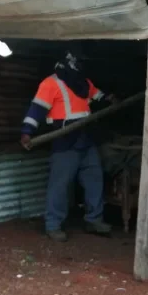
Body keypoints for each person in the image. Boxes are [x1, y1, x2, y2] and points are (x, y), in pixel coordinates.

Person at [19, 51, 117, 242]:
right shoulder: (50, 83)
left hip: (86, 139)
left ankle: (93, 219)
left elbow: (98, 95)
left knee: (94, 179)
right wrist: (27, 132)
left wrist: (110, 99)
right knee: (60, 185)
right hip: (65, 142)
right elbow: (36, 110)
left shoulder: (83, 82)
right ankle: (53, 225)